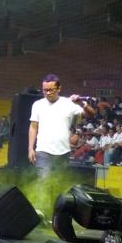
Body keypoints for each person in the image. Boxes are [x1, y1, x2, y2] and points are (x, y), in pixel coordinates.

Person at [28, 74, 96, 216]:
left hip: (63, 152)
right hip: (43, 150)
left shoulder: (68, 103)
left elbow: (91, 114)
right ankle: (41, 211)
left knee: (58, 183)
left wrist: (82, 103)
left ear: (59, 89)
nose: (47, 93)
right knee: (44, 180)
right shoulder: (38, 104)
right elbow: (33, 127)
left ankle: (55, 213)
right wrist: (30, 148)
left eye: (51, 90)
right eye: (45, 90)